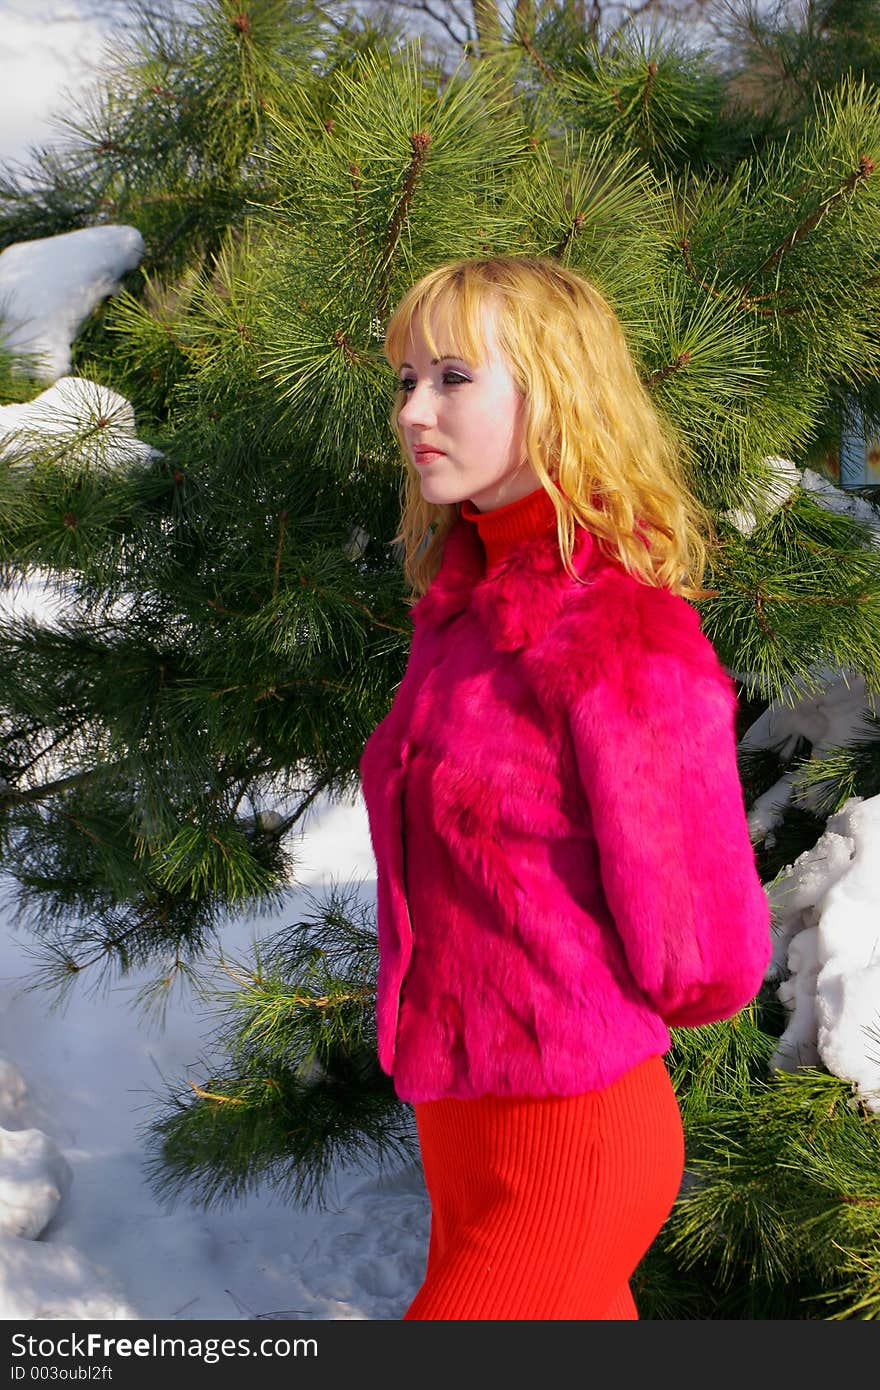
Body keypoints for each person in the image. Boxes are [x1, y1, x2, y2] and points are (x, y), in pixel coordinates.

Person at [358, 255, 773, 1320]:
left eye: (453, 377)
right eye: (406, 378)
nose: (415, 410)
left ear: (553, 393)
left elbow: (706, 955)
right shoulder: (461, 611)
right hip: (463, 1120)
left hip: (568, 1127)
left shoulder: (611, 627)